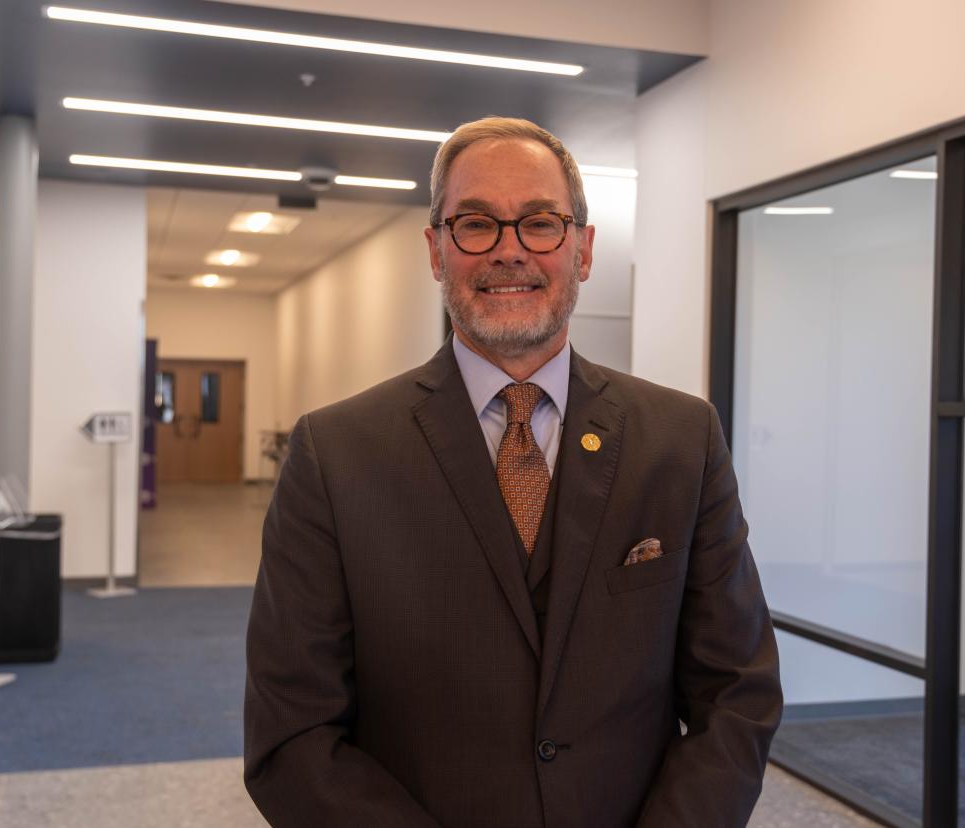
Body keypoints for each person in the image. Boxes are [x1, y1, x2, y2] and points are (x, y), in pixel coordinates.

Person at [243, 117, 782, 828]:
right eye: (475, 224)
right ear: (436, 250)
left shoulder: (682, 440)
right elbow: (293, 733)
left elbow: (735, 693)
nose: (509, 251)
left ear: (583, 250)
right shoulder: (333, 455)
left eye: (539, 223)